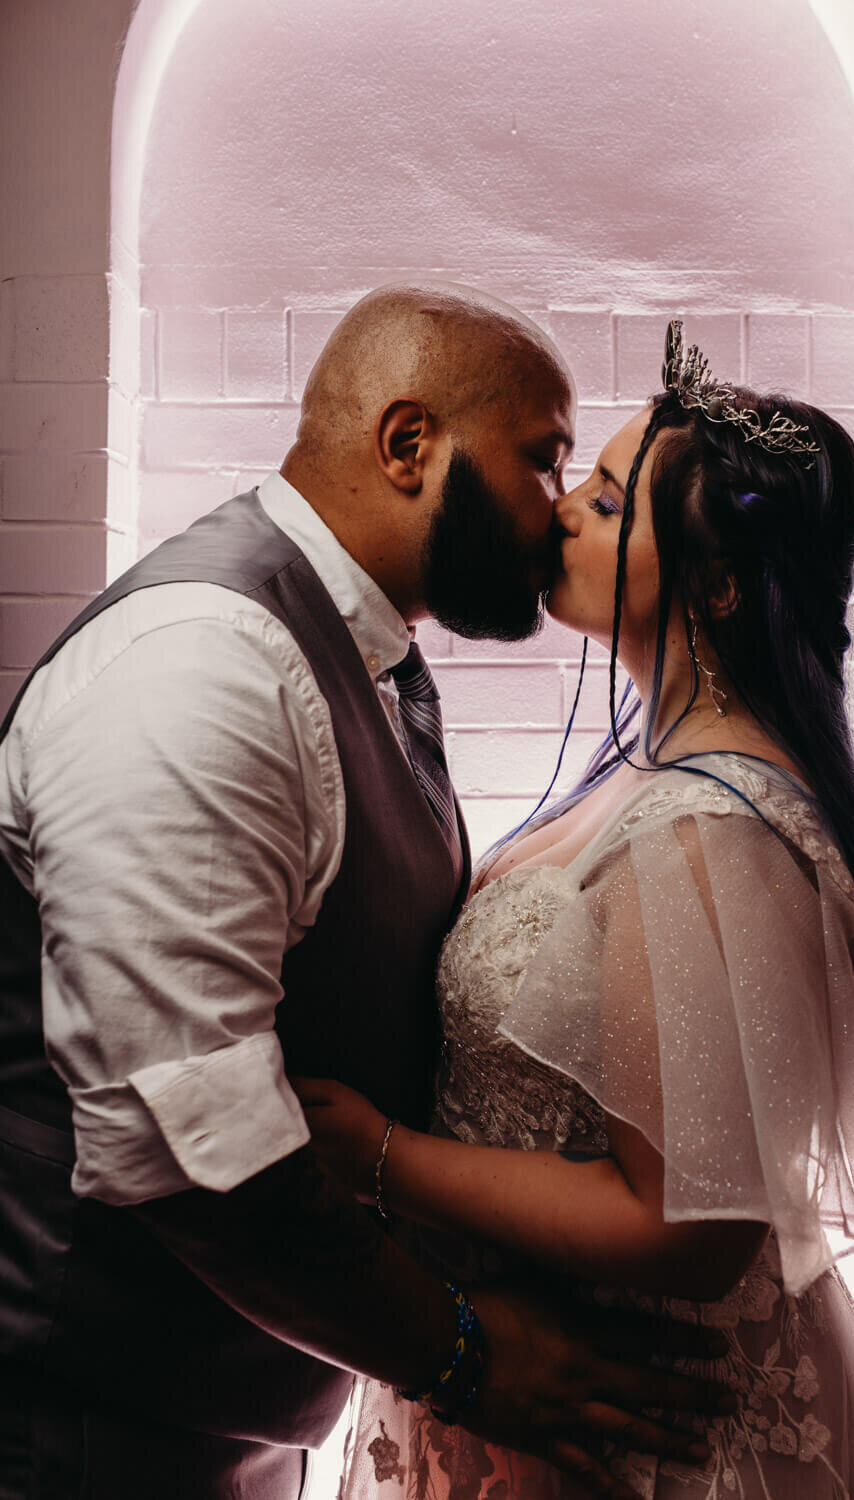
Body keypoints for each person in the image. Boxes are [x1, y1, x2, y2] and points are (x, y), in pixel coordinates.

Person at [0, 291, 730, 1500]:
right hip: (84, 1419)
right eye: (542, 459)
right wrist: (464, 1356)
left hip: (230, 1403)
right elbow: (182, 1134)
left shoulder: (357, 653)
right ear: (409, 446)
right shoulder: (204, 663)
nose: (555, 512)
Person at [294, 323, 854, 1498]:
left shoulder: (707, 830)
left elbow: (689, 1228)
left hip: (632, 1423)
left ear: (722, 586)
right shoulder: (656, 776)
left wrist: (382, 1159)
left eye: (605, 499)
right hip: (538, 1384)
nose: (563, 516)